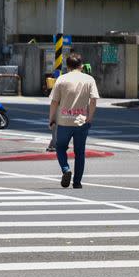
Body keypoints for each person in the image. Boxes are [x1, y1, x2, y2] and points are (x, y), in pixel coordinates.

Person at [48, 53, 99, 189]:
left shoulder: (61, 79)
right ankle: (77, 182)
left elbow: (54, 102)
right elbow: (93, 100)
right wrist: (90, 117)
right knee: (80, 152)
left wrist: (52, 119)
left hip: (64, 122)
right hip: (81, 122)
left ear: (68, 66)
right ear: (81, 65)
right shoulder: (89, 80)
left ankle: (66, 169)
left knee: (60, 147)